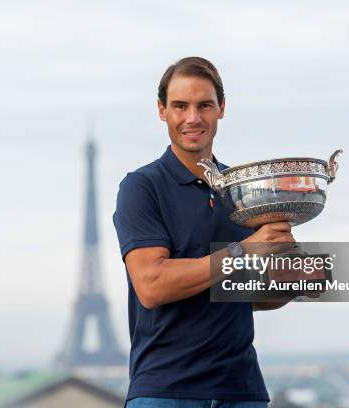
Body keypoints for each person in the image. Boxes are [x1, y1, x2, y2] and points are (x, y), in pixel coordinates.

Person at [113, 57, 295, 408]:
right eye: (180, 106)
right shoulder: (141, 187)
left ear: (221, 109)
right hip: (167, 393)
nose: (193, 118)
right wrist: (245, 251)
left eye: (204, 105)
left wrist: (294, 282)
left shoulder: (244, 192)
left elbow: (251, 296)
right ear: (162, 110)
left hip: (243, 392)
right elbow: (152, 286)